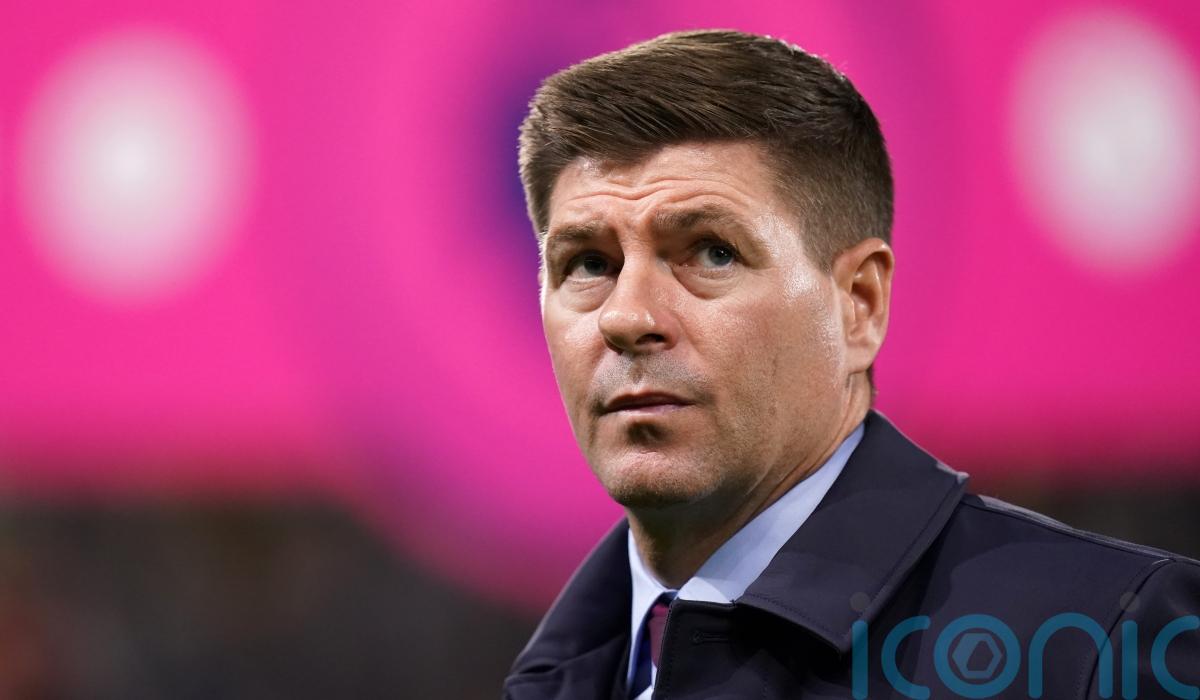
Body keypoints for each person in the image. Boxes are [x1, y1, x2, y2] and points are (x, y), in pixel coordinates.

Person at [502, 29, 1200, 699]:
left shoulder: (1103, 642)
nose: (627, 318)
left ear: (859, 304)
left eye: (712, 252)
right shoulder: (551, 673)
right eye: (588, 264)